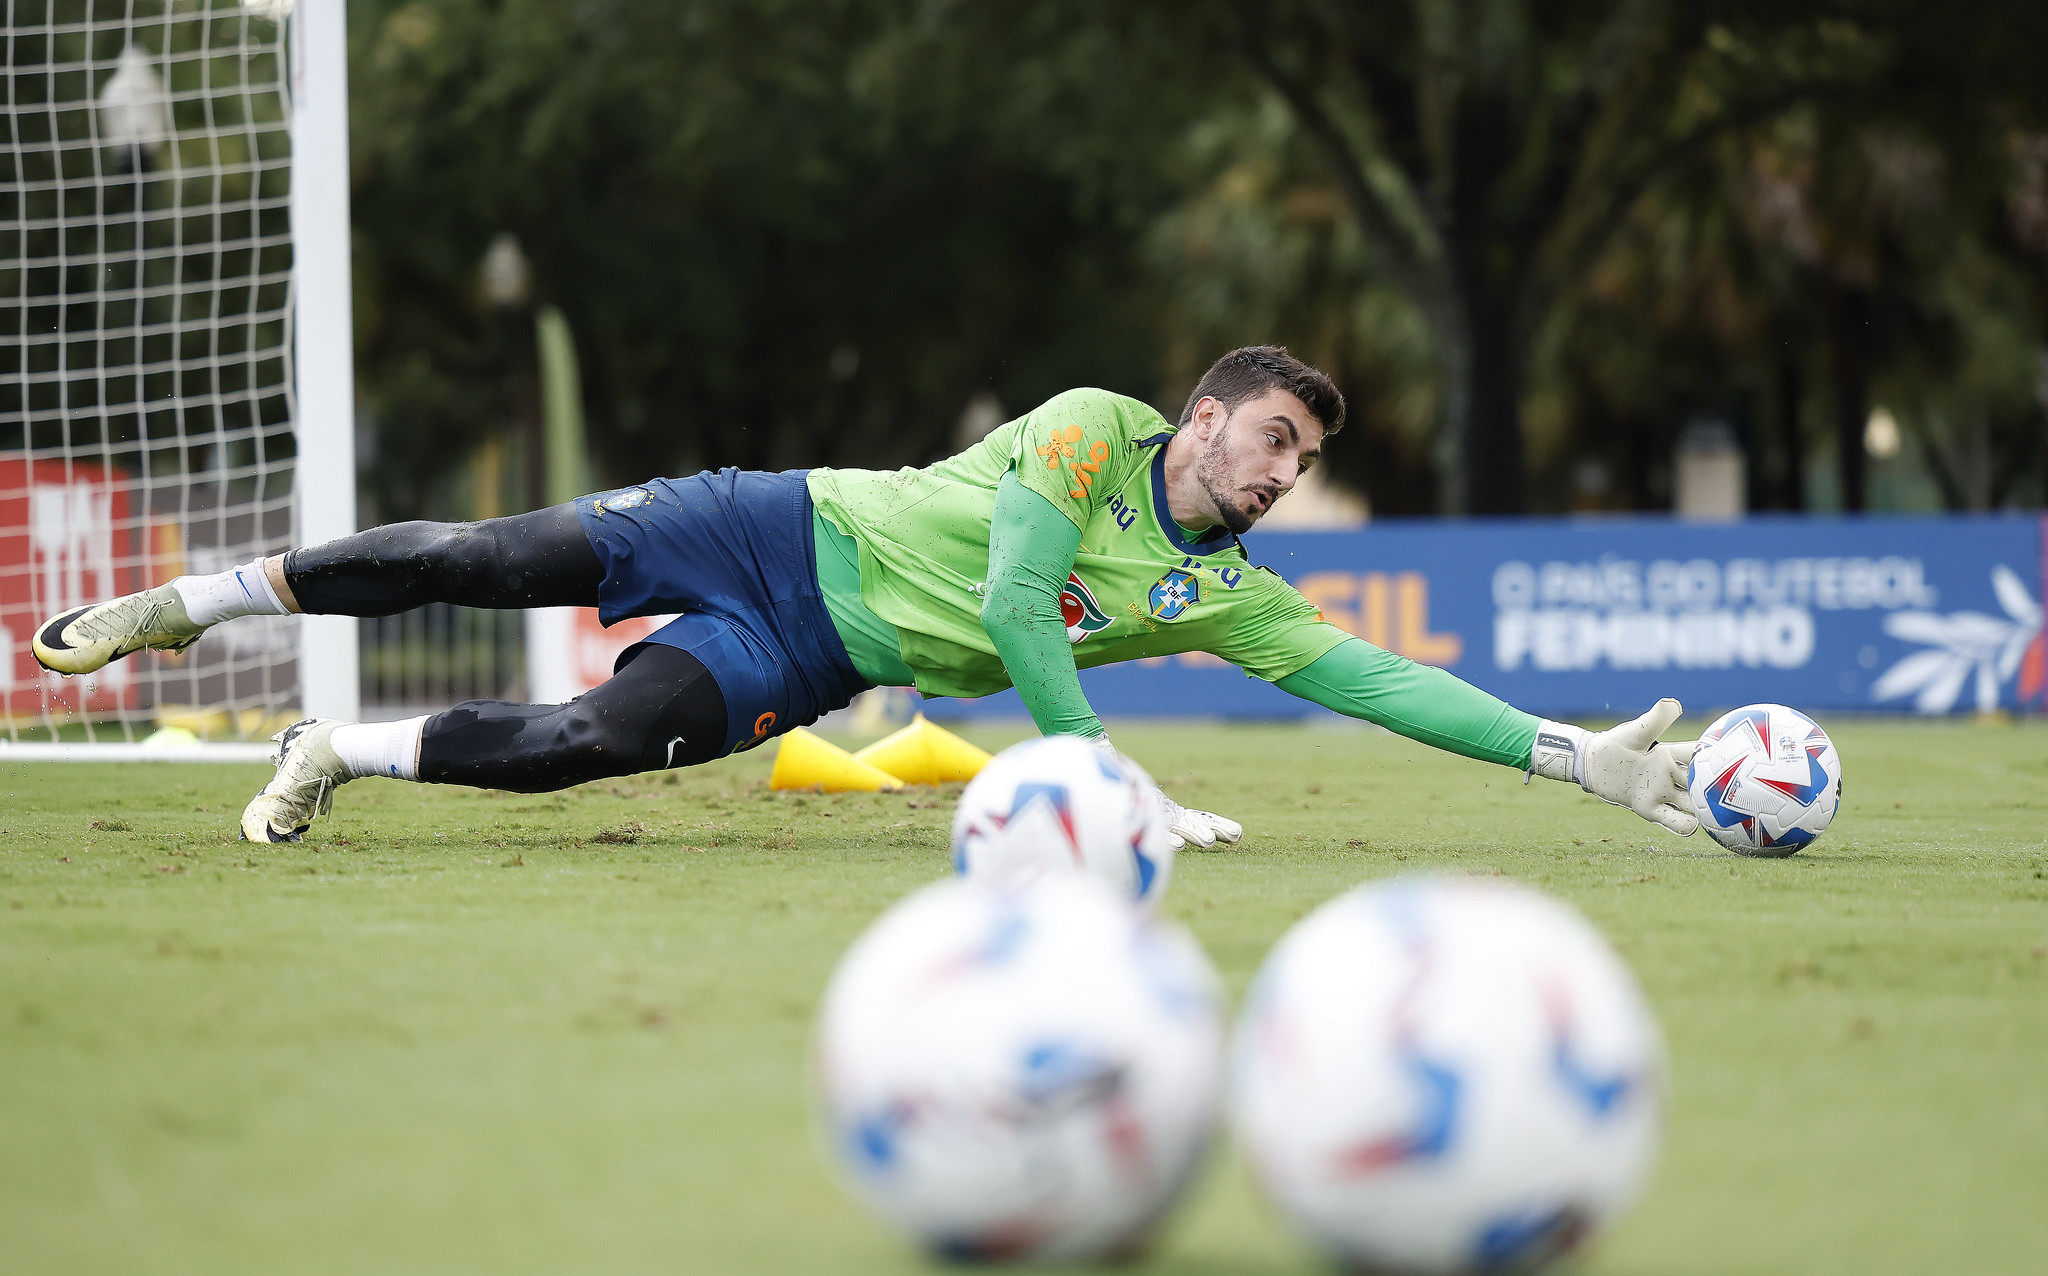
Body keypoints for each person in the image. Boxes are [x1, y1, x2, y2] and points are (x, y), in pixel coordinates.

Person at [33, 347, 1700, 844]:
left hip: (808, 648)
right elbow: (1022, 592)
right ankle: (191, 603)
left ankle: (328, 751)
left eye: (1297, 463)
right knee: (481, 559)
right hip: (764, 522)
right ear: (1201, 417)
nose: (1277, 475)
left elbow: (1381, 680)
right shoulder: (1087, 432)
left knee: (584, 745)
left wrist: (1568, 755)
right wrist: (1090, 766)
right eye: (1268, 439)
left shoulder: (1231, 591)